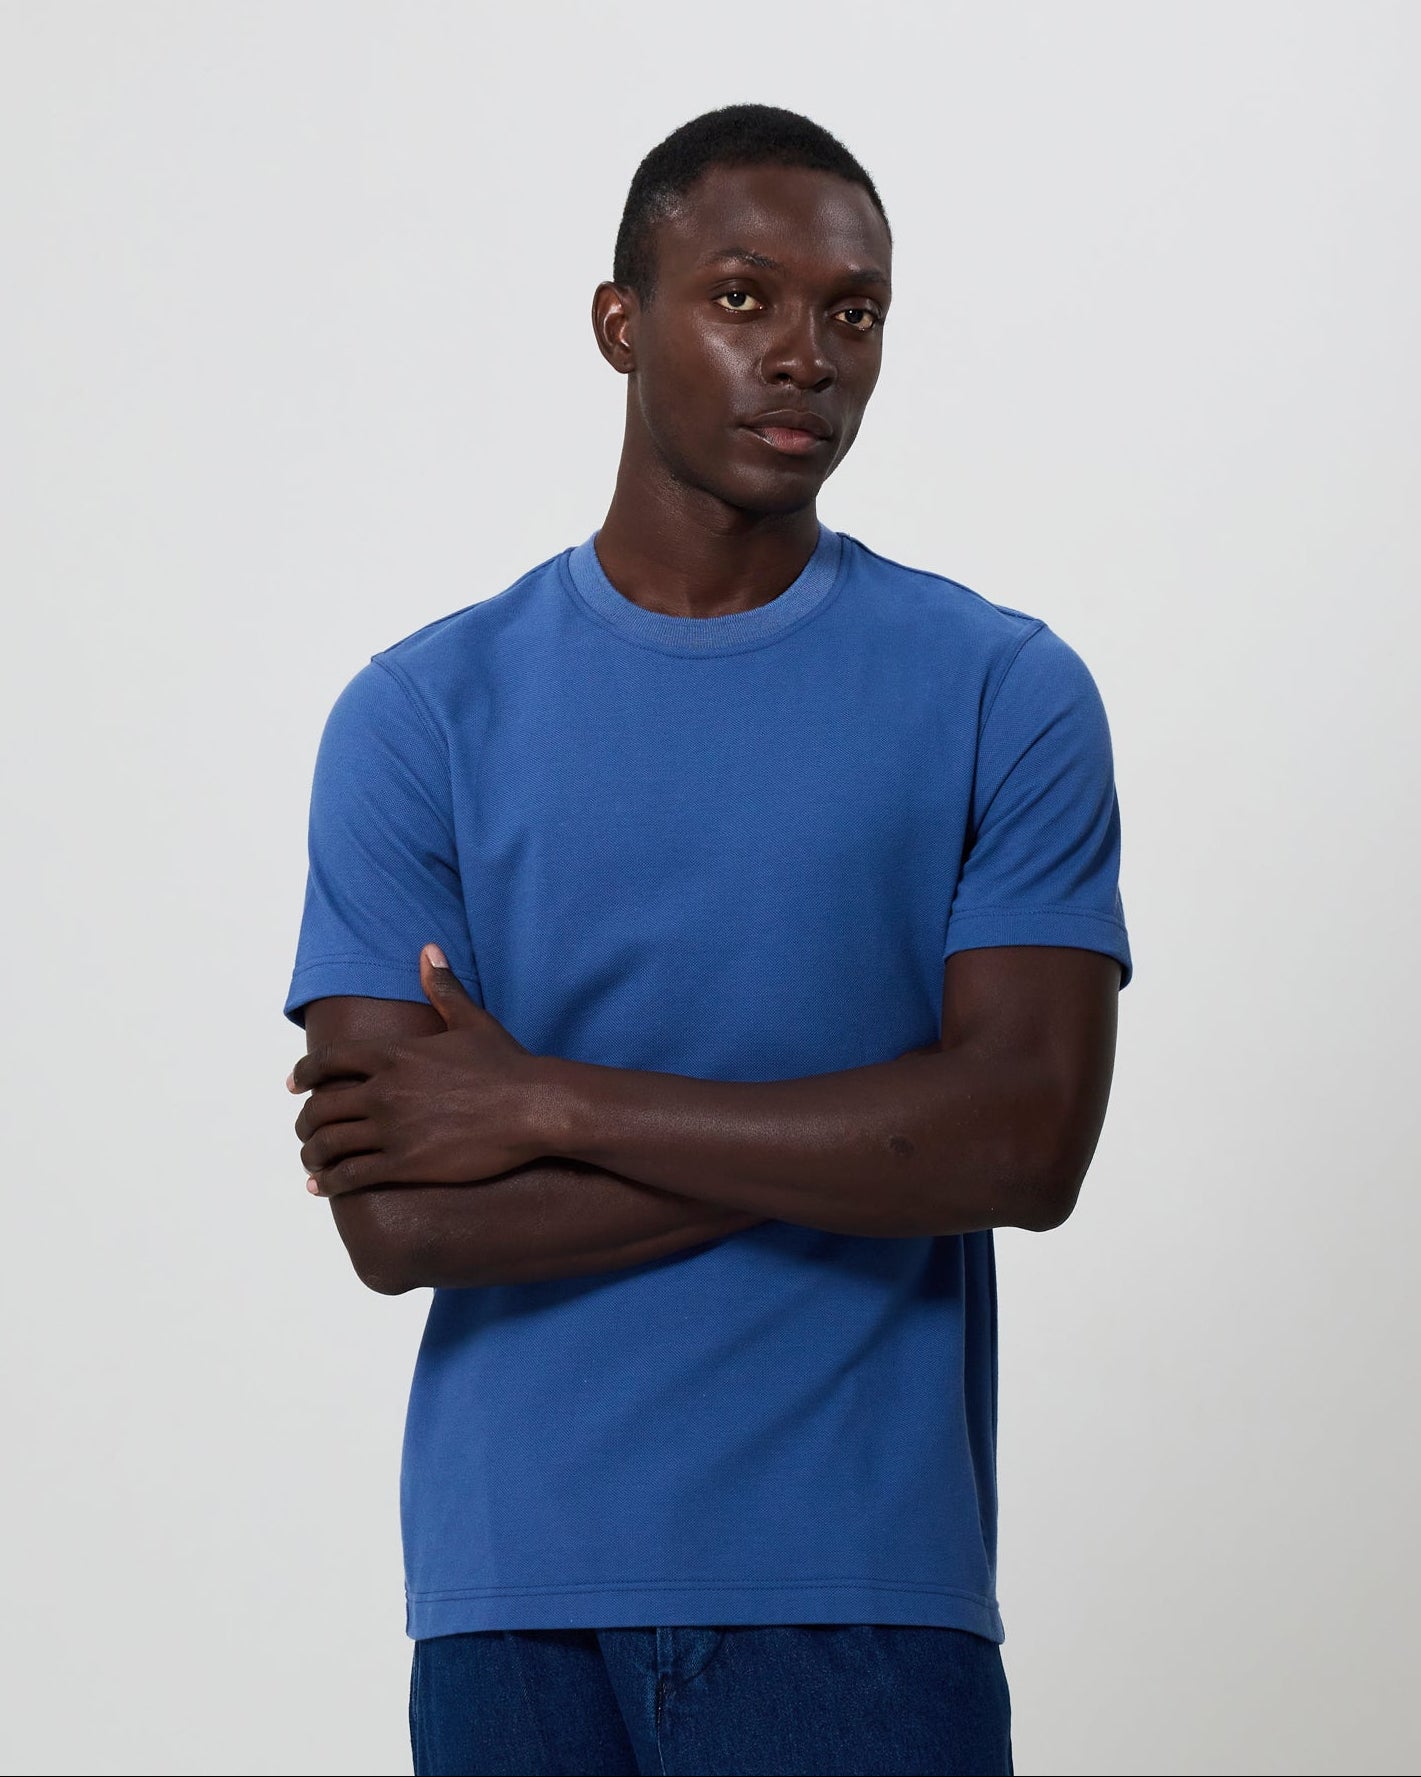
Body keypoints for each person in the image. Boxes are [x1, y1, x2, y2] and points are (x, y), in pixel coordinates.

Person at [283, 102, 1131, 1777]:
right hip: (512, 1606)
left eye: (851, 311)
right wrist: (882, 1134)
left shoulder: (1000, 690)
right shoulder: (420, 713)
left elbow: (1026, 1146)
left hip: (859, 1598)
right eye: (743, 296)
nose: (805, 354)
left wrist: (549, 1104)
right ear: (620, 322)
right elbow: (396, 1218)